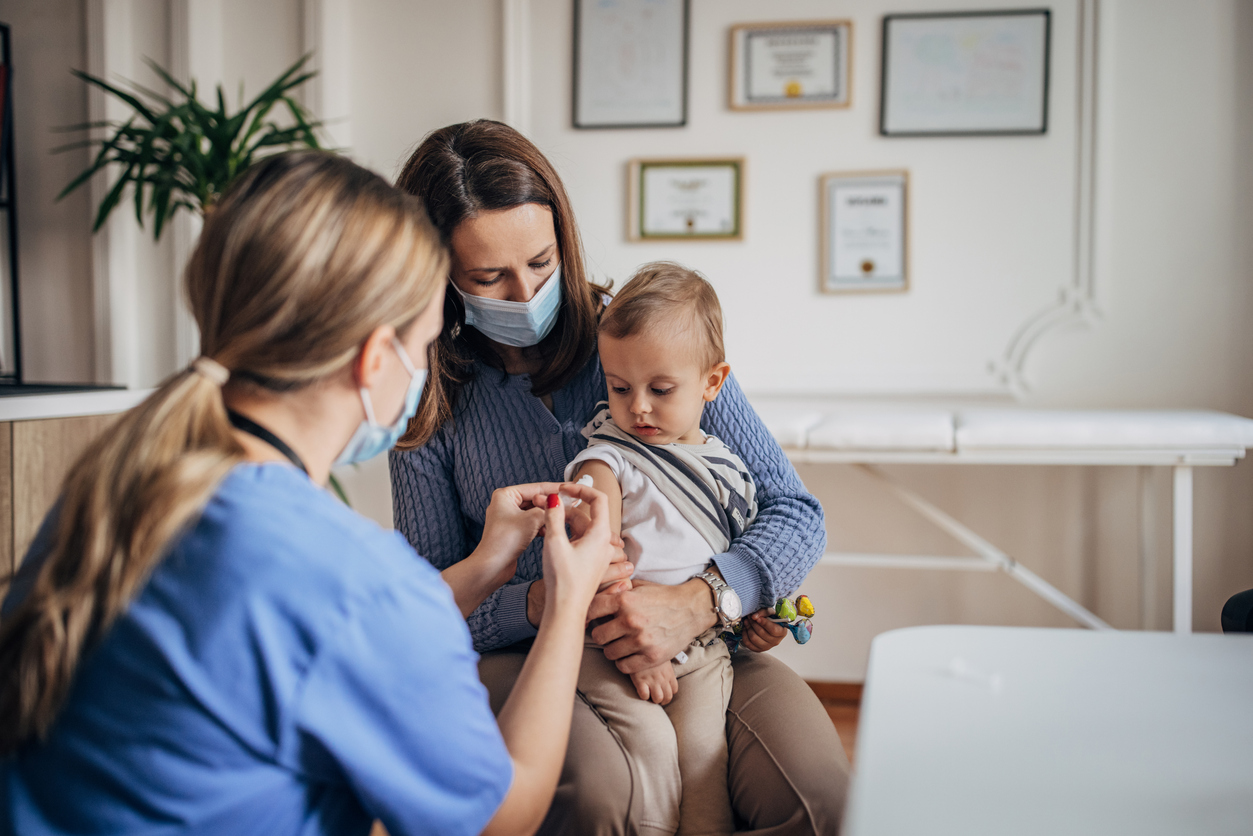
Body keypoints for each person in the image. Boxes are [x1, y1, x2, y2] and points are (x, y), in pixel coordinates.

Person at [0, 151, 618, 836]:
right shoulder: (351, 577)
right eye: (423, 343)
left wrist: (478, 570)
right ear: (374, 359)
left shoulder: (122, 483)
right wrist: (567, 601)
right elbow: (501, 816)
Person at [391, 119, 850, 834]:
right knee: (613, 793)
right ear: (436, 277)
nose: (523, 293)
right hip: (524, 657)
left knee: (821, 799)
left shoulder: (649, 345)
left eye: (541, 262)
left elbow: (794, 511)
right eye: (488, 277)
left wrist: (704, 601)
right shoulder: (427, 400)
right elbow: (423, 604)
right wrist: (543, 604)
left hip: (697, 644)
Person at [566, 262, 792, 835]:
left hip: (701, 649)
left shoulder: (729, 468)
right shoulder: (606, 458)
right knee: (648, 748)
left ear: (712, 384)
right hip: (609, 645)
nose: (637, 407)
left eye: (660, 390)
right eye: (619, 387)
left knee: (702, 760)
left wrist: (757, 615)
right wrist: (640, 650)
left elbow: (741, 550)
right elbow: (596, 559)